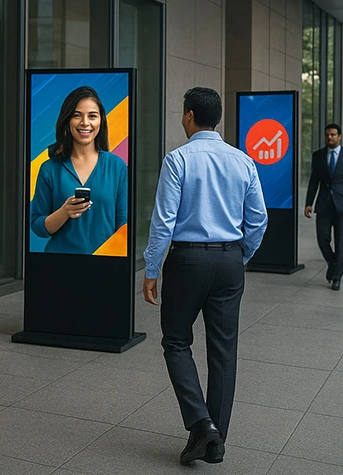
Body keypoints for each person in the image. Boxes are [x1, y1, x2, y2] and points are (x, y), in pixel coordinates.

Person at [142, 87, 268, 466]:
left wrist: (151, 268)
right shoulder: (242, 160)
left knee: (177, 341)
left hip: (188, 261)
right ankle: (216, 437)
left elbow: (164, 220)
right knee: (224, 349)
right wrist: (240, 253)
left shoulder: (178, 159)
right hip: (230, 260)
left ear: (189, 115)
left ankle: (201, 425)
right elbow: (258, 219)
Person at [29, 86, 127, 254]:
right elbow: (38, 226)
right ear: (67, 120)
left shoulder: (117, 166)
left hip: (106, 264)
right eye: (76, 115)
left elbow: (123, 223)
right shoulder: (49, 169)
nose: (85, 123)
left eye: (92, 116)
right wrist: (64, 212)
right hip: (59, 263)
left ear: (101, 121)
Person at [304, 123, 343, 290]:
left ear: (339, 136)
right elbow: (314, 180)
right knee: (322, 239)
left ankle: (337, 277)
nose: (330, 137)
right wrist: (309, 203)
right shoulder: (318, 156)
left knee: (341, 242)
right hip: (323, 204)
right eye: (327, 135)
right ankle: (333, 263)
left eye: (333, 135)